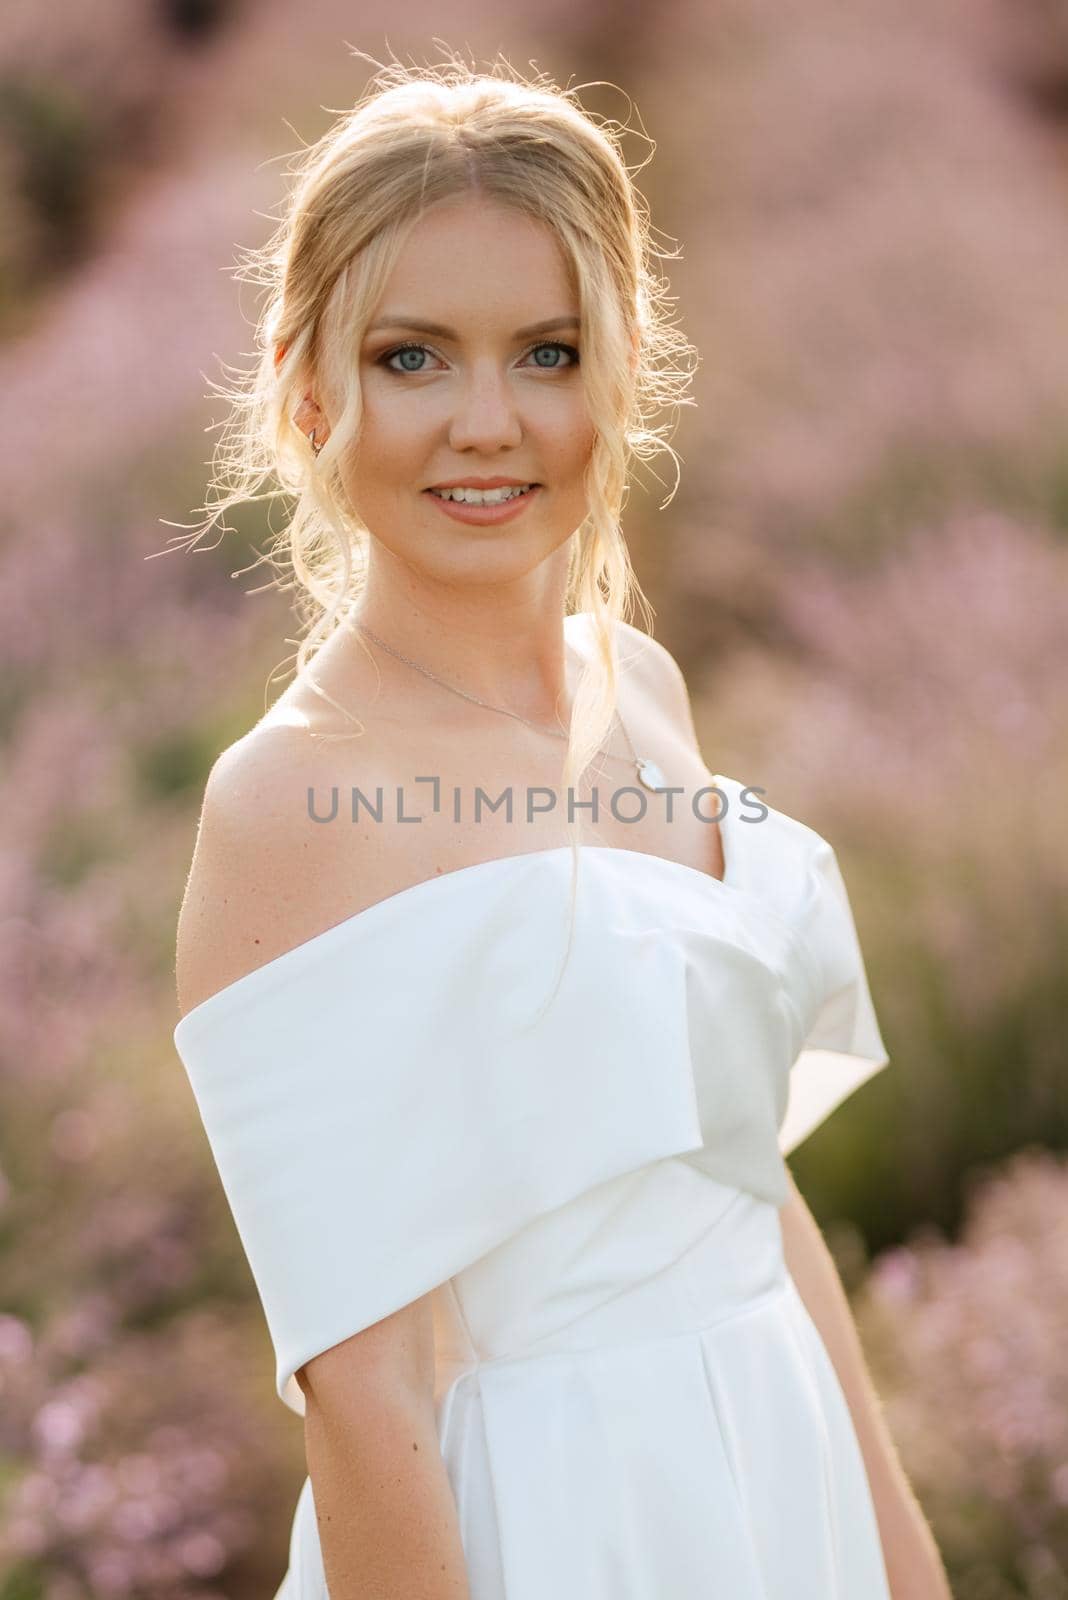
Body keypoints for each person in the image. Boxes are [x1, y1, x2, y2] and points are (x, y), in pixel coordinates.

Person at [172, 53, 951, 1600]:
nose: (485, 421)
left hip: (780, 1473)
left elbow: (745, 1184)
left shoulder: (642, 688)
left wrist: (901, 1559)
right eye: (412, 358)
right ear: (304, 385)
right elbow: (365, 1394)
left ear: (625, 368)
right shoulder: (290, 806)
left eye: (545, 350)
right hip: (551, 1524)